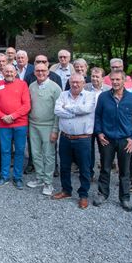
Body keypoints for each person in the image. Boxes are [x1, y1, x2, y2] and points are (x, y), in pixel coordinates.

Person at [93, 71, 132, 211]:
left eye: (118, 79)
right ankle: (103, 194)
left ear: (124, 80)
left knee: (125, 171)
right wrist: (99, 132)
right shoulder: (103, 97)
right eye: (113, 79)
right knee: (105, 168)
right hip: (107, 139)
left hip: (125, 141)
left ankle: (125, 198)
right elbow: (97, 117)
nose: (115, 82)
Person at [52, 74, 96, 209]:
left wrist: (67, 107)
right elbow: (57, 110)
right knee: (64, 166)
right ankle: (66, 190)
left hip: (83, 139)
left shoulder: (90, 95)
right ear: (69, 83)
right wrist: (74, 112)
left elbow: (86, 109)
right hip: (65, 137)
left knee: (84, 168)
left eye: (78, 82)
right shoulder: (63, 95)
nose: (75, 85)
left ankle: (83, 195)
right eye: (72, 82)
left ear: (83, 83)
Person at [0, 64, 31, 189]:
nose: (9, 74)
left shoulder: (22, 85)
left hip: (20, 124)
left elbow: (26, 105)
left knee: (19, 151)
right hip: (3, 124)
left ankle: (17, 177)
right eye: (6, 71)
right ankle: (4, 176)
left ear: (15, 72)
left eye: (11, 71)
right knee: (5, 151)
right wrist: (2, 116)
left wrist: (12, 116)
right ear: (3, 72)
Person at [26, 63, 61, 196]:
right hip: (33, 124)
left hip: (49, 125)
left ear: (48, 72)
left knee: (49, 155)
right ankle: (39, 178)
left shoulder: (55, 88)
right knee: (35, 153)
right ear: (34, 72)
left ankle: (48, 182)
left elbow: (58, 111)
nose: (41, 73)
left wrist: (55, 130)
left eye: (43, 71)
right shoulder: (31, 86)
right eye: (38, 71)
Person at [84, 67, 110, 179]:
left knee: (104, 149)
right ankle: (89, 173)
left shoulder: (109, 90)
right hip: (88, 123)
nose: (94, 79)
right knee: (88, 150)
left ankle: (104, 173)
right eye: (93, 76)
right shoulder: (85, 88)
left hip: (103, 125)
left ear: (103, 78)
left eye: (97, 76)